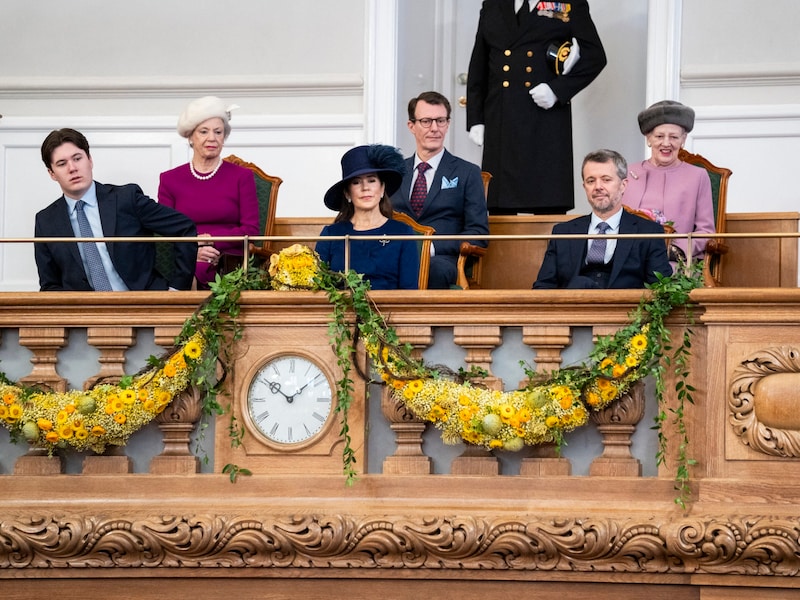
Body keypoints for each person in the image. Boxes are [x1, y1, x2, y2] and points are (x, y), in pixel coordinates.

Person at [466, 0, 606, 214]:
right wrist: (476, 118)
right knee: (499, 208)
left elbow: (594, 55)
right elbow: (479, 64)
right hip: (501, 119)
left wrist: (557, 90)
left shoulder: (569, 3)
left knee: (547, 206)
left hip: (545, 120)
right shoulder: (493, 4)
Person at [34, 128, 197, 291]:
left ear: (90, 161)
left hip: (144, 304)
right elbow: (50, 285)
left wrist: (176, 289)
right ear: (52, 173)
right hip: (86, 313)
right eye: (62, 164)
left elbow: (184, 228)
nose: (72, 168)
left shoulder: (126, 199)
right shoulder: (46, 221)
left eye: (77, 158)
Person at [158, 96, 259, 289]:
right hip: (186, 257)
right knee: (190, 269)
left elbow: (251, 230)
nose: (211, 138)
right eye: (203, 131)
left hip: (230, 258)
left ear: (224, 136)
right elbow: (166, 231)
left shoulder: (242, 176)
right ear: (190, 136)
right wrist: (193, 249)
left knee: (197, 271)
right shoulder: (170, 179)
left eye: (218, 132)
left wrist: (211, 243)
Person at [391, 91, 489, 289]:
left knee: (433, 269)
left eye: (440, 121)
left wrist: (431, 248)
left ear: (448, 124)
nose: (434, 128)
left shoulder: (467, 172)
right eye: (426, 121)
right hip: (393, 253)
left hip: (441, 259)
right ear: (412, 126)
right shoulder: (393, 173)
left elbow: (478, 232)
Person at [533, 149, 672, 289]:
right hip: (573, 308)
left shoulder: (649, 232)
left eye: (606, 180)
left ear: (623, 185)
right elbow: (543, 287)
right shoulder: (563, 232)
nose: (598, 187)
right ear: (584, 187)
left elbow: (662, 290)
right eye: (591, 181)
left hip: (625, 309)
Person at [623, 100, 715, 264]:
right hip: (627, 262)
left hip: (673, 264)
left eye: (674, 137)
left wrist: (677, 249)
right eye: (659, 136)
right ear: (648, 139)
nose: (666, 143)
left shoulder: (698, 176)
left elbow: (706, 231)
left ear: (683, 139)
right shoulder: (627, 173)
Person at [317, 144, 420, 290]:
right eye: (356, 182)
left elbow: (409, 292)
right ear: (347, 193)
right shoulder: (331, 234)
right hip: (340, 311)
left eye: (371, 180)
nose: (365, 187)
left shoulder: (402, 233)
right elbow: (319, 288)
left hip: (390, 311)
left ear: (382, 188)